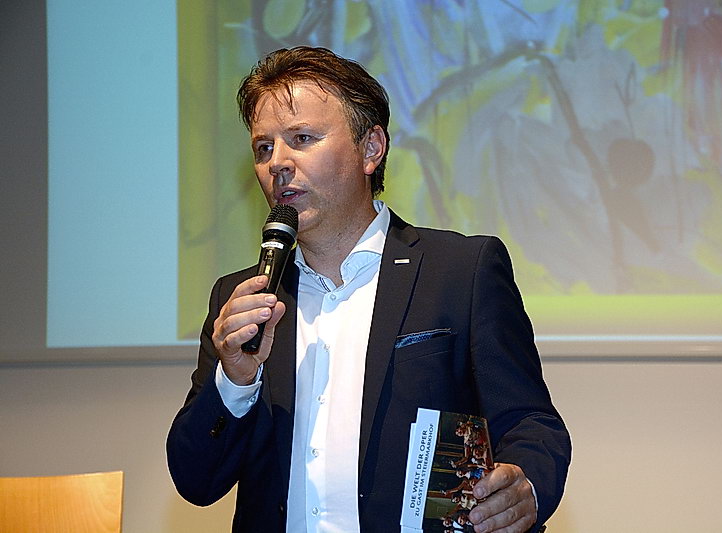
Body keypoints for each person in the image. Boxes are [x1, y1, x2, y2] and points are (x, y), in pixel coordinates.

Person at [167, 46, 570, 533]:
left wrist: (525, 486)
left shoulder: (461, 271)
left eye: (302, 138)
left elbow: (530, 422)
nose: (278, 163)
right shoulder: (242, 300)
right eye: (263, 148)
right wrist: (235, 380)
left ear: (371, 148)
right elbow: (196, 481)